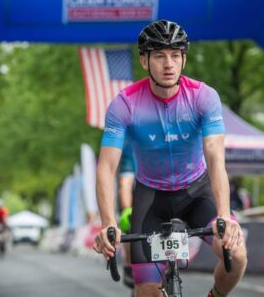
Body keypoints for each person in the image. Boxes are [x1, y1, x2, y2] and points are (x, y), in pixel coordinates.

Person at [93, 20, 247, 297]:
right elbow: (106, 167)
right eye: (160, 55)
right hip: (151, 196)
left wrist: (224, 215)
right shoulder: (124, 103)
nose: (169, 64)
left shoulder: (204, 97)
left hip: (197, 190)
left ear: (184, 59)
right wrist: (108, 223)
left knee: (236, 257)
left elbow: (215, 157)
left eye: (175, 55)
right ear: (144, 60)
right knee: (146, 290)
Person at [117, 141, 136, 289]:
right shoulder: (131, 144)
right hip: (134, 192)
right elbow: (125, 182)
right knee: (130, 225)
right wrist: (126, 210)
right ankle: (129, 265)